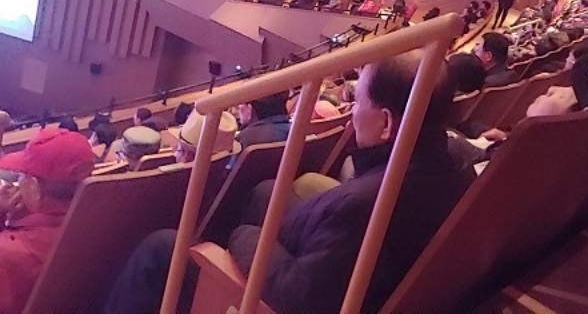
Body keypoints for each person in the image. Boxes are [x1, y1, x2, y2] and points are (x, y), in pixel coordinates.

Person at [105, 52, 474, 314]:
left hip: (287, 297)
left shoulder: (363, 207)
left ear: (387, 124)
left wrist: (242, 236)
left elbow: (295, 298)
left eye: (359, 101)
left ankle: (208, 266)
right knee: (265, 192)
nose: (351, 114)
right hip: (358, 272)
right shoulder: (458, 169)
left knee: (162, 248)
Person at [0, 128, 95, 312]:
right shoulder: (103, 229)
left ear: (35, 188)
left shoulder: (9, 254)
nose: (17, 183)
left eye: (21, 176)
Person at [228, 92, 292, 168]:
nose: (236, 110)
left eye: (238, 105)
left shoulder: (243, 139)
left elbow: (229, 171)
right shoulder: (296, 131)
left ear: (249, 108)